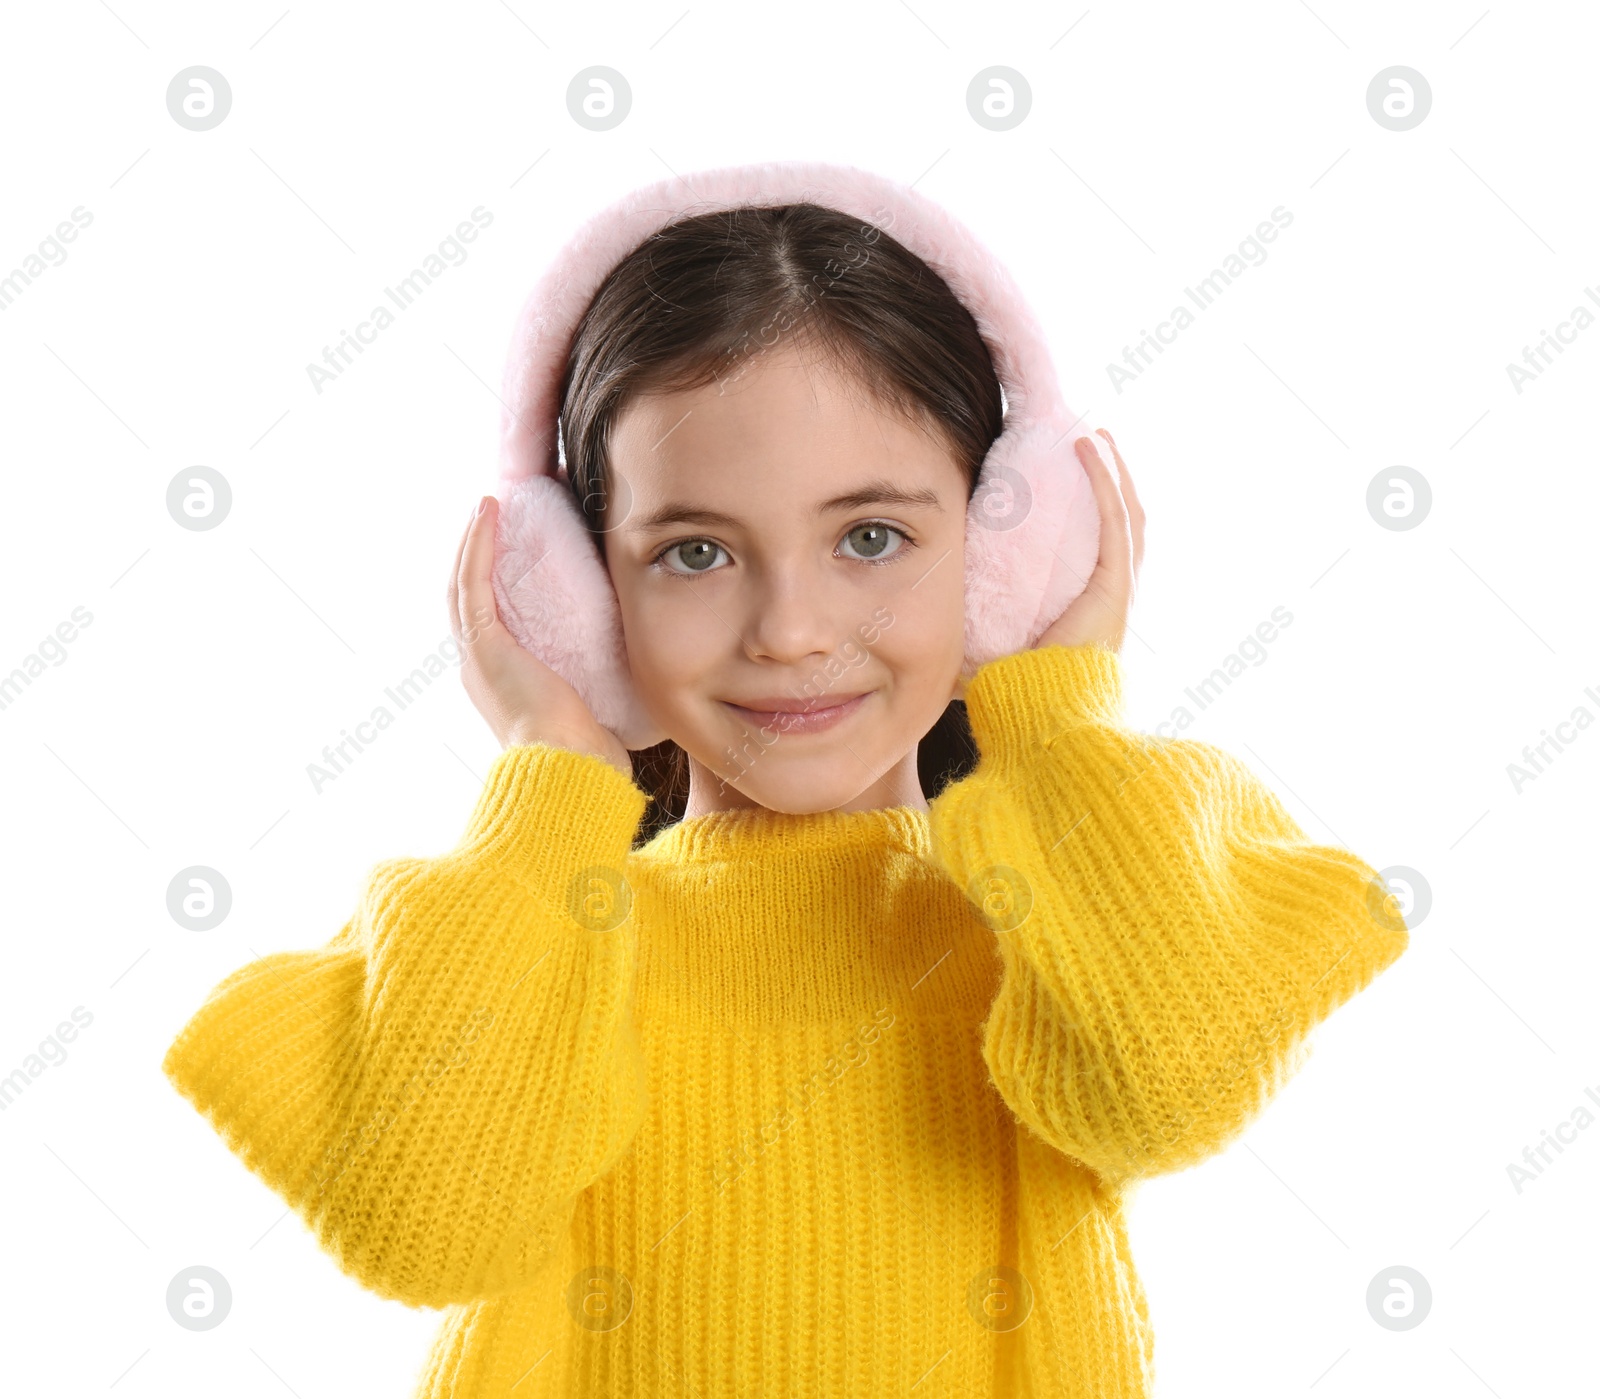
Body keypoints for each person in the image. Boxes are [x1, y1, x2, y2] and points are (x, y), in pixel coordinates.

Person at [161, 192, 1409, 1397]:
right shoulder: (522, 941)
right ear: (581, 600)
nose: (793, 630)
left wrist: (1052, 715)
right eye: (693, 552)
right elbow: (426, 1228)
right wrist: (552, 771)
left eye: (871, 535)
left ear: (1002, 561)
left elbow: (1168, 1084)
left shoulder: (1070, 915)